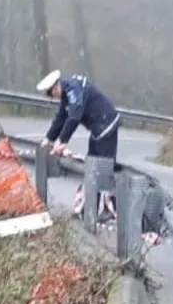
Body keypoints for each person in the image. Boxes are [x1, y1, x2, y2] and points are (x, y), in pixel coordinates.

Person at [37, 69, 123, 221]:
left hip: (106, 125)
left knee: (104, 167)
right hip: (97, 129)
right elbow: (61, 118)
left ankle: (112, 208)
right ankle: (89, 209)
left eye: (51, 94)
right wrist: (48, 139)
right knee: (92, 166)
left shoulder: (73, 90)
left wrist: (62, 141)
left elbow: (74, 117)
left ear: (56, 87)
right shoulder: (66, 93)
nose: (52, 98)